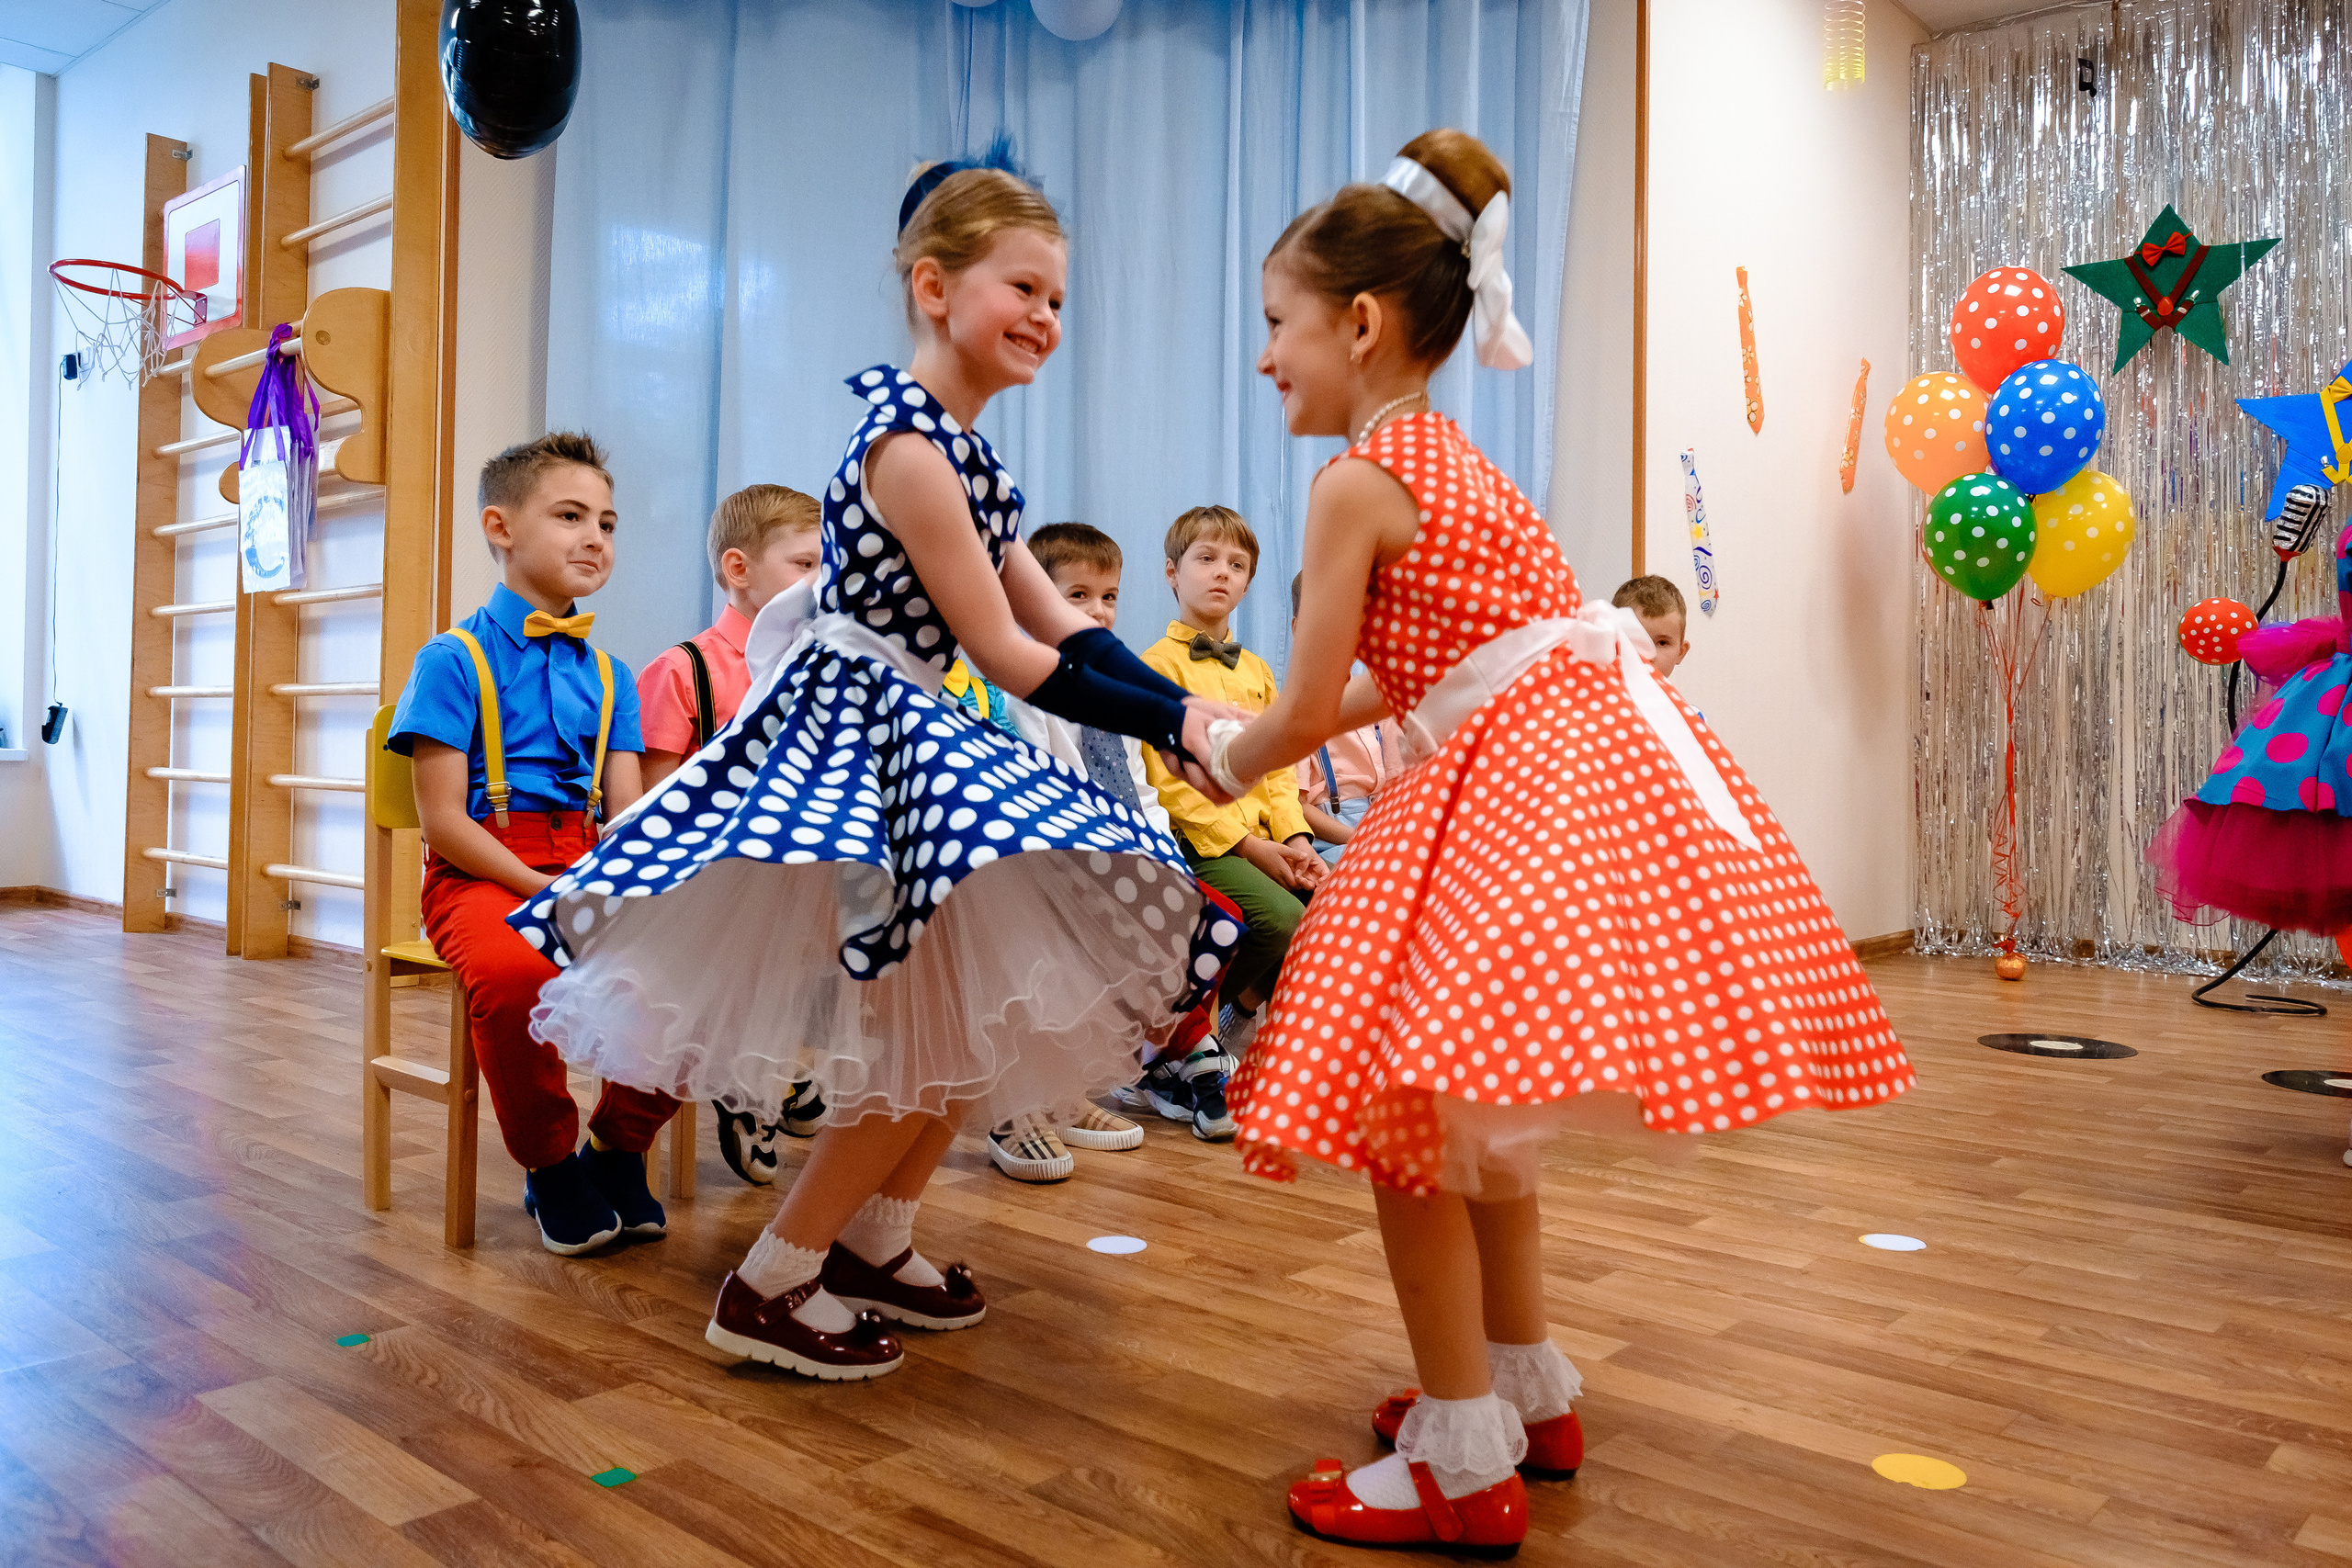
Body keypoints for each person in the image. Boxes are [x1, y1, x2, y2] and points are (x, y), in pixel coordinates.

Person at [1213, 129, 1914, 1554]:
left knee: (1404, 1122)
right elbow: (1406, 673)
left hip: (1492, 792)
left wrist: (1218, 748)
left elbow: (1298, 705)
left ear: (1359, 321)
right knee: (1483, 1126)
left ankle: (1460, 1461)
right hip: (1565, 777)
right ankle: (1527, 1394)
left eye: (1278, 326)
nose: (1268, 358)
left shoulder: (1354, 482)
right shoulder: (1460, 463)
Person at [509, 153, 1239, 1381]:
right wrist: (1180, 731)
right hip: (867, 737)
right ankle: (775, 1275)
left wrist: (1190, 709)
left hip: (915, 729)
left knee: (973, 1010)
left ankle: (877, 1239)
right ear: (934, 285)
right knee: (921, 1033)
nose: (1046, 320)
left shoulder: (968, 458)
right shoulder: (907, 446)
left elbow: (1066, 623)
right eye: (1025, 288)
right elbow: (1009, 653)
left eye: (1059, 299)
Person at [388, 432, 681, 1258]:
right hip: (480, 869)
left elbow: (624, 812)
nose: (597, 537)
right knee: (517, 974)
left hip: (585, 861)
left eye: (609, 522)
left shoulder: (615, 675)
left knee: (694, 959)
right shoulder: (452, 658)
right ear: (502, 526)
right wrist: (535, 884)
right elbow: (444, 819)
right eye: (570, 515)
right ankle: (550, 1165)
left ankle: (619, 1147)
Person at [636, 484, 827, 1187]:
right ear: (738, 569)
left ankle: (778, 1069)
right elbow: (657, 806)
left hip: (793, 863)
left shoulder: (820, 673)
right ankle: (755, 1082)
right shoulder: (684, 669)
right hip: (704, 874)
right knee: (760, 929)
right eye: (804, 564)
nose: (819, 583)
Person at [1136, 505, 1324, 1130]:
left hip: (1263, 837)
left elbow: (1275, 769)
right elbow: (1170, 782)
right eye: (1206, 559)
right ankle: (1190, 1043)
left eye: (1237, 564)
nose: (1222, 574)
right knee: (1279, 916)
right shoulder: (1155, 665)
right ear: (1172, 572)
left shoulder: (1258, 670)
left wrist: (1294, 836)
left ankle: (1221, 1037)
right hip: (1202, 841)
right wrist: (1248, 846)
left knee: (1326, 911)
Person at [1291, 570, 1398, 866]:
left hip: (1381, 824)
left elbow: (1399, 785)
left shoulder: (1378, 703)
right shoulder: (1293, 711)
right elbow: (1295, 805)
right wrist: (1357, 838)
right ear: (1298, 628)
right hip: (1332, 837)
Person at [1611, 574, 1690, 680]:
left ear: (1681, 652)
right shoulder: (1596, 692)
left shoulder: (1672, 696)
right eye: (1635, 641)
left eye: (1662, 643)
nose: (1649, 656)